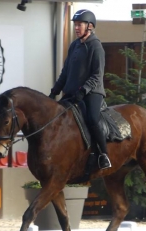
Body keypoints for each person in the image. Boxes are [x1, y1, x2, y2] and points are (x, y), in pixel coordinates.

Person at [49, 9, 111, 169]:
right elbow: (65, 71)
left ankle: (103, 155)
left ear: (89, 26)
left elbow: (97, 75)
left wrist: (83, 91)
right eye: (75, 25)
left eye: (79, 25)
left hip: (92, 93)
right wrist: (54, 91)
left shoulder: (96, 47)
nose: (76, 28)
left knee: (91, 119)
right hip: (72, 93)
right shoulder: (74, 46)